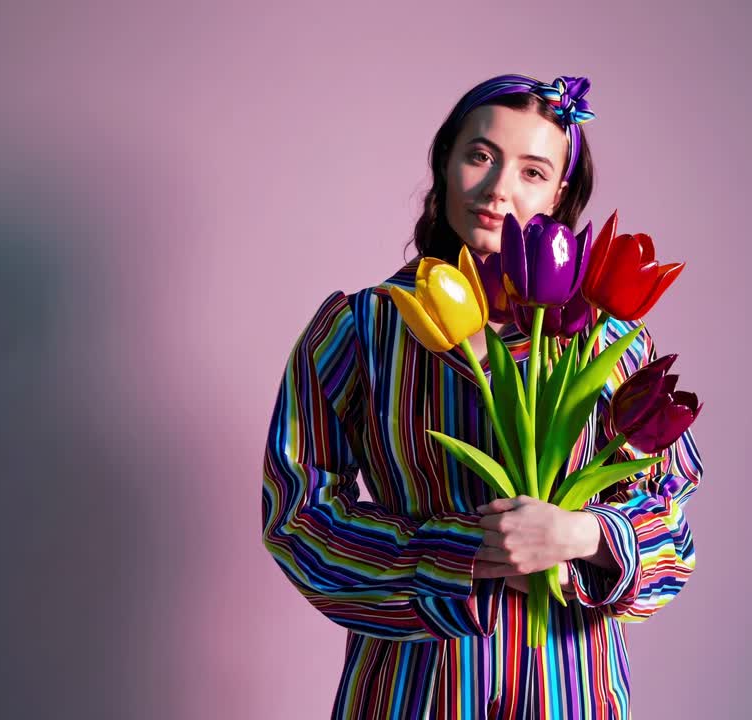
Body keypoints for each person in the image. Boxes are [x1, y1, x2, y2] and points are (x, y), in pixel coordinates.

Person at [261, 73, 703, 720]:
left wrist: (584, 535)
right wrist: (462, 556)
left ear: (560, 193)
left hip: (570, 690)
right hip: (413, 692)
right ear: (444, 163)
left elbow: (673, 521)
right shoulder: (360, 329)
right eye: (480, 156)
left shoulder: (613, 344)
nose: (499, 189)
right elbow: (297, 517)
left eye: (531, 171)